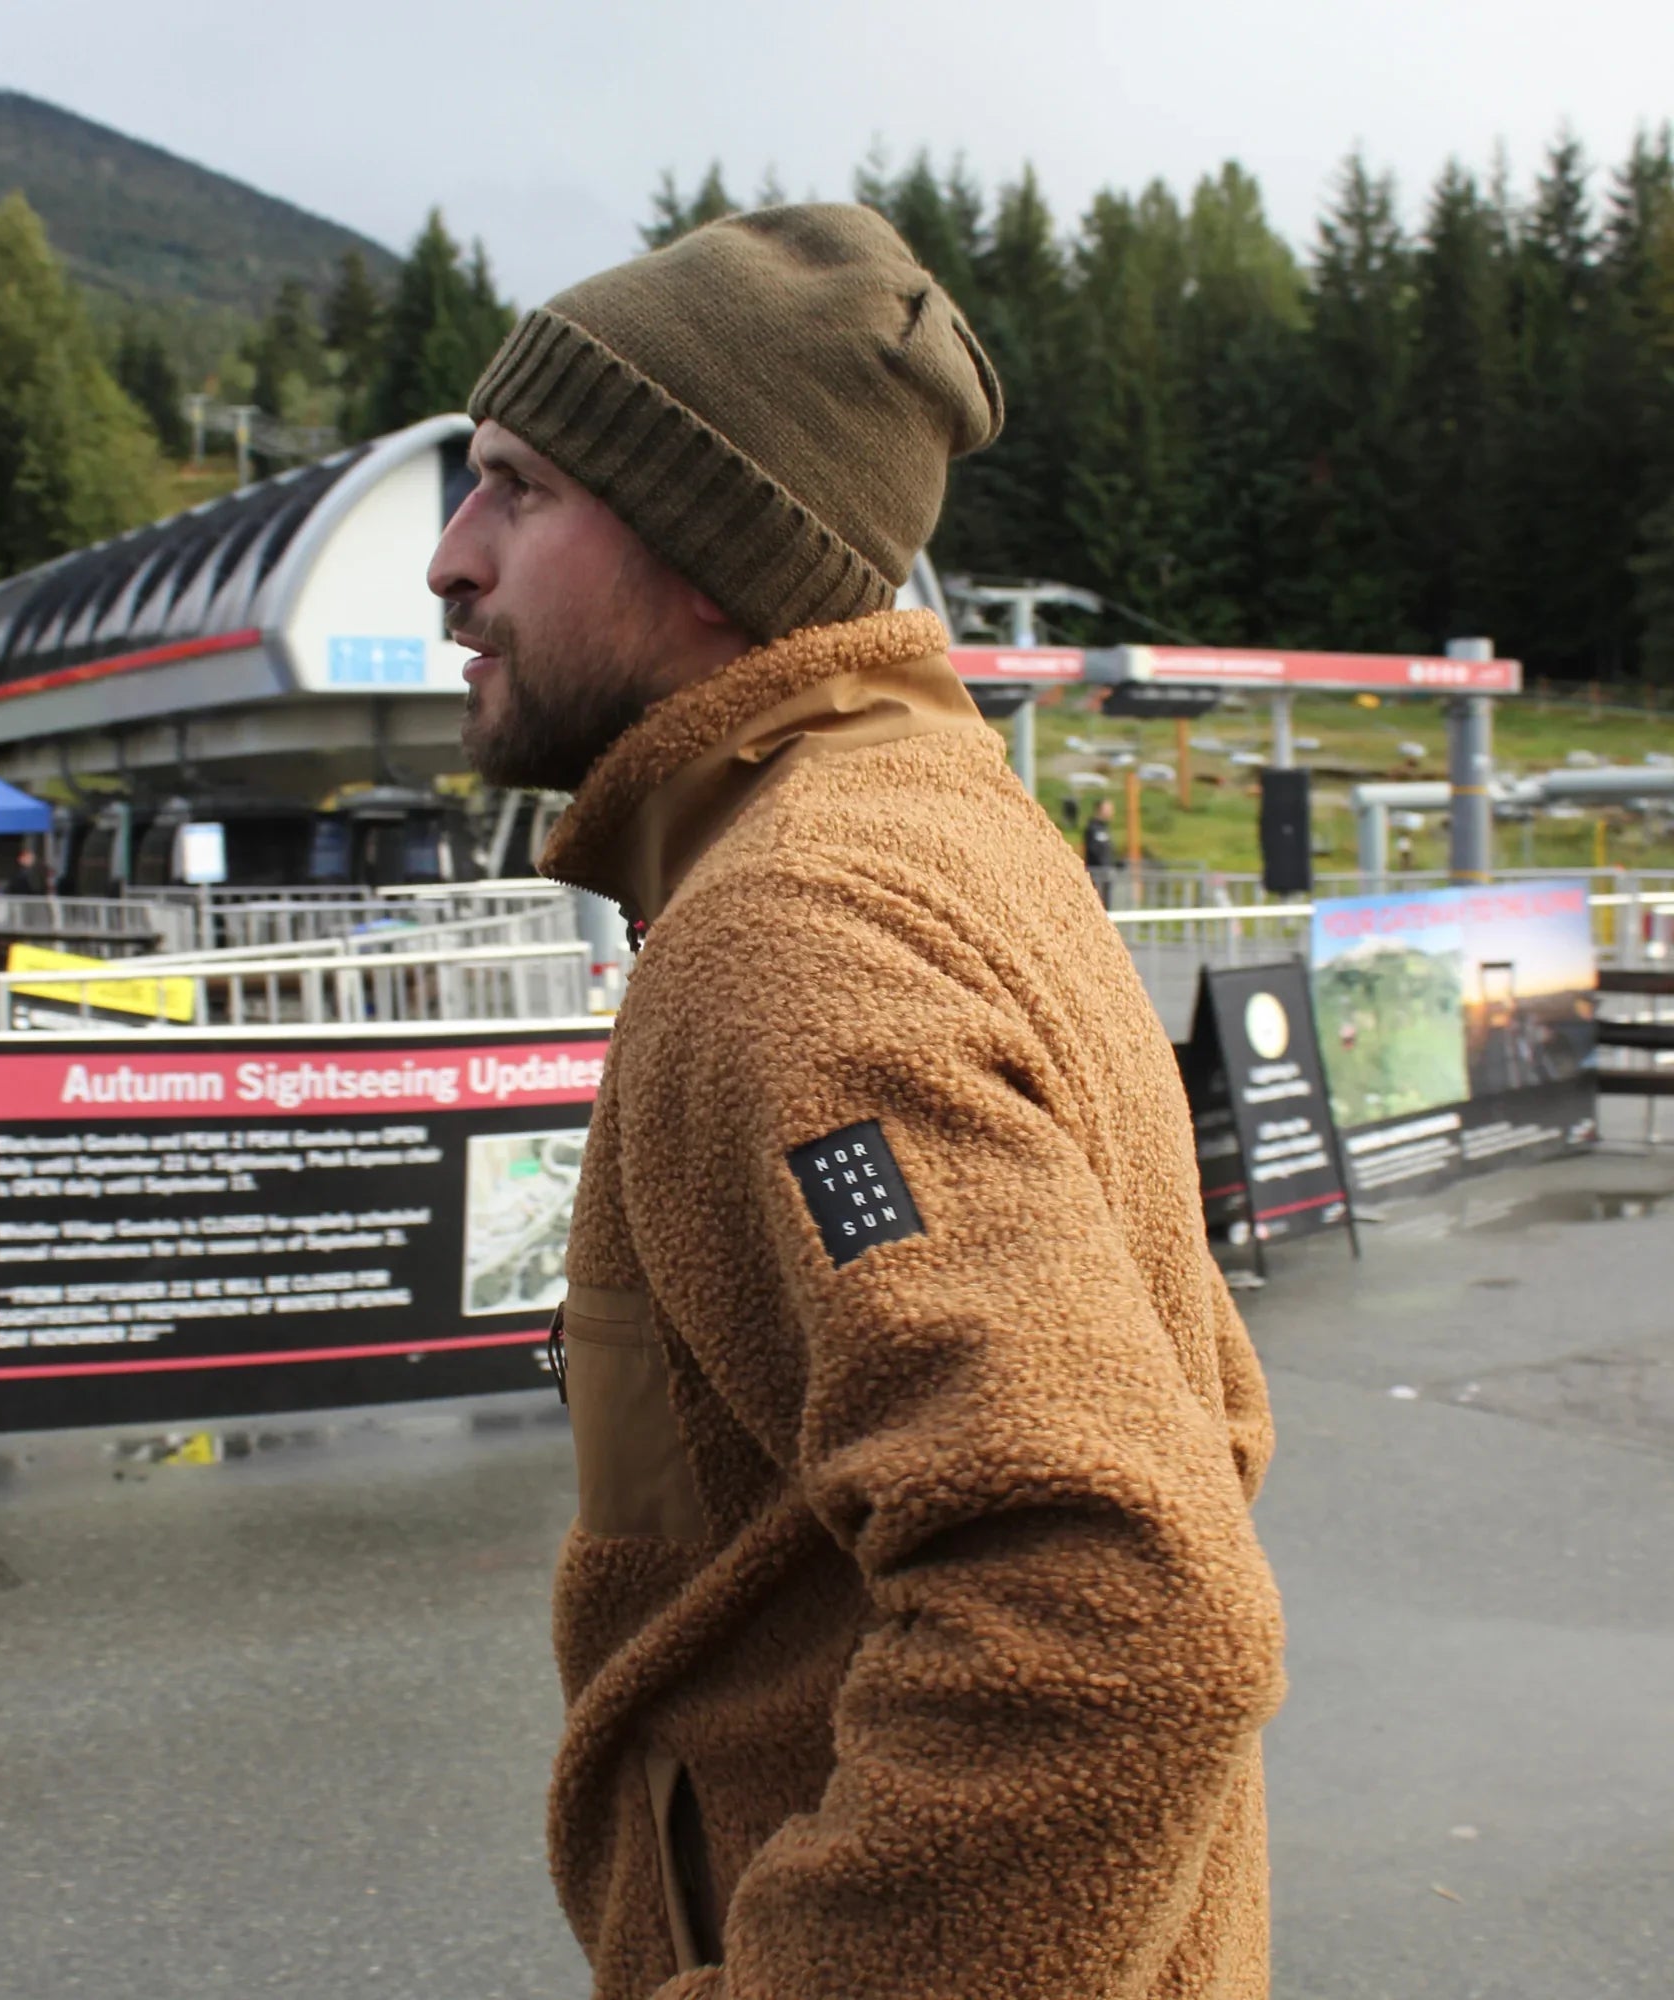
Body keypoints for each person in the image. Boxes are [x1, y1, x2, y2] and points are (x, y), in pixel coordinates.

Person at [428, 205, 1284, 2000]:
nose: (451, 558)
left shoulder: (794, 935)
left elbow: (1117, 1610)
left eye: (518, 488)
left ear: (708, 545)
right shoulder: (936, 828)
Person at [1083, 793, 1117, 905]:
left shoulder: (1105, 828)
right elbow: (1094, 850)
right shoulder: (1093, 828)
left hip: (1106, 875)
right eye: (1108, 809)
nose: (1111, 812)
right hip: (1097, 875)